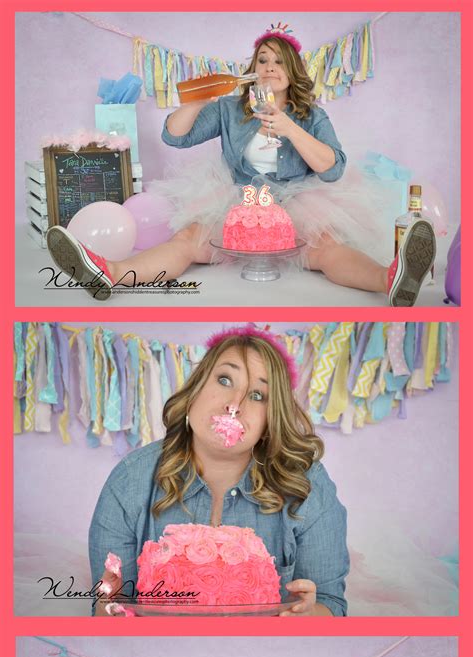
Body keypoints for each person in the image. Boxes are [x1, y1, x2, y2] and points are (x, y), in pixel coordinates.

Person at [45, 28, 436, 307]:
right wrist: (201, 95)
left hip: (296, 203)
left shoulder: (310, 114)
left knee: (326, 248)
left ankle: (391, 279)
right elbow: (175, 136)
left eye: (279, 61)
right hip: (237, 201)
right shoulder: (230, 110)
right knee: (188, 241)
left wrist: (287, 127)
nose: (269, 66)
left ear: (293, 72)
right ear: (252, 69)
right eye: (262, 59)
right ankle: (110, 272)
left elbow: (331, 168)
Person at [89, 328, 349, 616]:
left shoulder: (307, 485)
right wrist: (108, 606)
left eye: (258, 395)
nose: (234, 405)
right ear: (195, 390)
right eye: (225, 380)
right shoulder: (130, 480)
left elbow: (330, 603)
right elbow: (109, 609)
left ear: (271, 420)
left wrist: (307, 616)